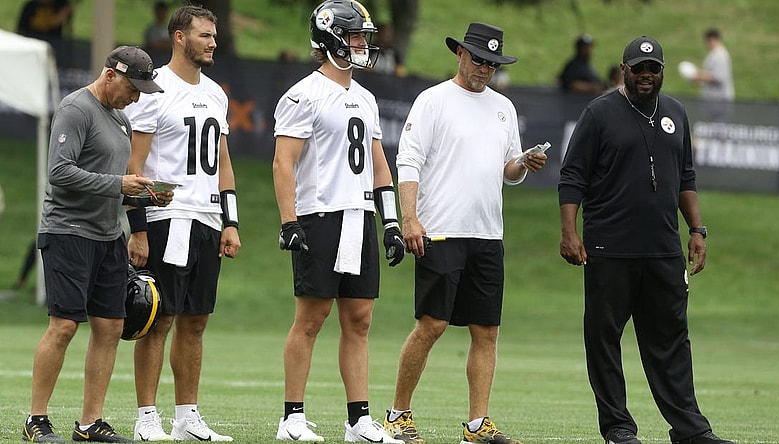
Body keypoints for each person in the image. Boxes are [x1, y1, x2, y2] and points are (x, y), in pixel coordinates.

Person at [558, 36, 735, 444]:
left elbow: (686, 175)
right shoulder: (599, 113)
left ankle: (691, 430)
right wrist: (570, 232)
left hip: (663, 250)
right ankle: (619, 428)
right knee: (604, 339)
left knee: (671, 341)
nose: (646, 76)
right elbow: (572, 176)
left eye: (653, 68)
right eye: (638, 68)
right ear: (624, 70)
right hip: (609, 248)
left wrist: (696, 229)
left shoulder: (675, 112)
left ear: (662, 72)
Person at [383, 22, 547, 444]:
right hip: (439, 231)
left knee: (486, 331)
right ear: (460, 54)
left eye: (493, 63)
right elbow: (408, 162)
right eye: (479, 59)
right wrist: (410, 218)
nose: (485, 69)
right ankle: (397, 415)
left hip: (487, 234)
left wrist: (523, 163)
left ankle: (477, 425)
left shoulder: (503, 108)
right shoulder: (433, 101)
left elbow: (507, 170)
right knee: (432, 324)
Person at [271, 1, 405, 442]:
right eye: (355, 36)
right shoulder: (302, 94)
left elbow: (379, 166)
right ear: (329, 37)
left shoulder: (365, 98)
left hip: (359, 215)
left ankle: (358, 420)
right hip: (320, 214)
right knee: (310, 318)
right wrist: (290, 221)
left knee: (360, 319)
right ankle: (291, 417)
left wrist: (390, 223)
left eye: (365, 36)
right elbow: (283, 162)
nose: (363, 44)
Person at [22, 45, 167, 443]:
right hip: (69, 232)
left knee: (111, 326)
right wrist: (118, 184)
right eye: (132, 88)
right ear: (110, 74)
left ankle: (89, 424)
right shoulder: (76, 109)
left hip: (108, 236)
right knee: (64, 325)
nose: (135, 97)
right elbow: (59, 171)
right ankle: (36, 420)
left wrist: (143, 195)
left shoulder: (121, 119)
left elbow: (113, 180)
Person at [123, 5, 241, 442]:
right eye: (204, 35)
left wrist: (231, 221)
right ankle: (146, 417)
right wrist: (137, 228)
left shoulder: (216, 92)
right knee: (159, 317)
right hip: (168, 217)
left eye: (213, 35)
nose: (213, 42)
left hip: (208, 218)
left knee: (196, 320)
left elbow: (223, 163)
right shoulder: (155, 89)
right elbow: (133, 164)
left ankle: (187, 416)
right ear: (179, 37)